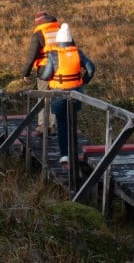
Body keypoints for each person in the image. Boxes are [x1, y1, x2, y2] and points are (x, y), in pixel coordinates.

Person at [38, 23, 95, 166]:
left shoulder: (53, 55)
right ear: (71, 39)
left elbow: (46, 75)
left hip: (59, 94)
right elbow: (91, 68)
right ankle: (74, 152)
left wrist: (45, 77)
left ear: (59, 40)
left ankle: (65, 155)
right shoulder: (78, 53)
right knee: (72, 124)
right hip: (76, 93)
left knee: (62, 124)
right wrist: (83, 81)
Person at [22, 11, 60, 131]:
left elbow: (31, 56)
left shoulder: (39, 34)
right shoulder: (60, 31)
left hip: (44, 69)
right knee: (56, 96)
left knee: (43, 97)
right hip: (60, 68)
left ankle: (43, 125)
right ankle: (53, 126)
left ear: (38, 22)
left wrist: (25, 73)